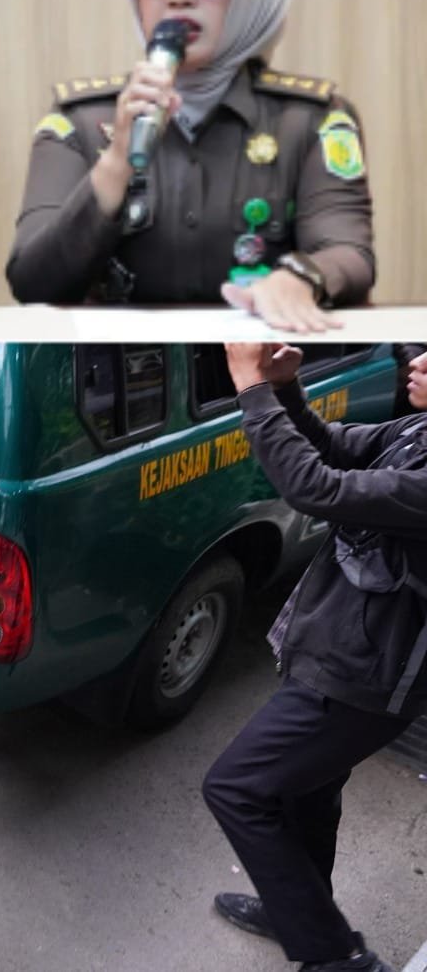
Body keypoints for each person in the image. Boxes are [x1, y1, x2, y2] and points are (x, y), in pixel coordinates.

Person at [5, 0, 372, 333]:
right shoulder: (78, 121)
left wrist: (301, 278)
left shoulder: (310, 119)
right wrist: (117, 161)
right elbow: (32, 284)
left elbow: (349, 252)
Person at [201, 342, 427, 972]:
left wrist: (250, 388)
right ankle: (298, 910)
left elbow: (315, 487)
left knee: (236, 788)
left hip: (366, 679)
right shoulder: (417, 430)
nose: (417, 362)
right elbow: (329, 447)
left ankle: (338, 958)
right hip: (344, 650)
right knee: (307, 793)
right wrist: (285, 388)